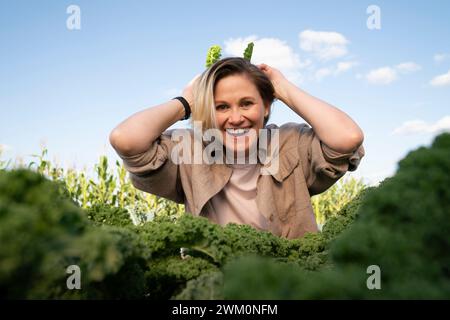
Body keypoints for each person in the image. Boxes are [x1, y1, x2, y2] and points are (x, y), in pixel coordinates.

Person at [109, 57, 365, 239]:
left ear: (266, 106)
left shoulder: (289, 142)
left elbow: (347, 138)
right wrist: (186, 102)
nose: (235, 118)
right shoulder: (190, 149)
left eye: (246, 103)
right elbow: (126, 139)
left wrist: (283, 89)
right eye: (221, 107)